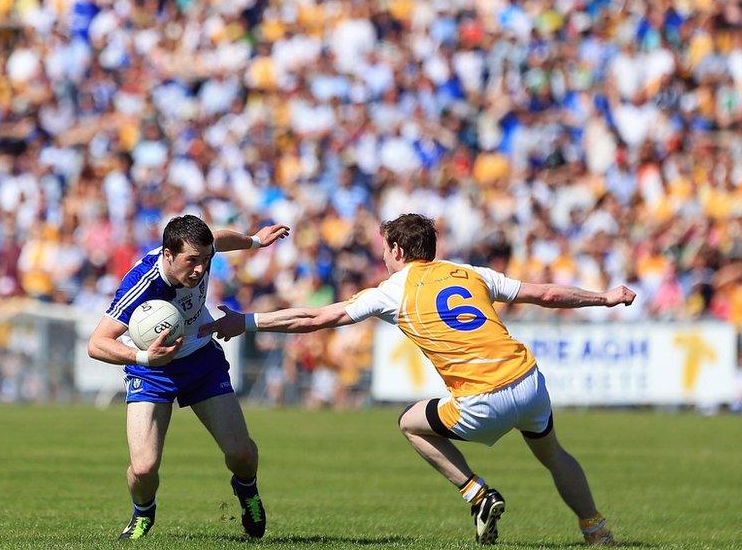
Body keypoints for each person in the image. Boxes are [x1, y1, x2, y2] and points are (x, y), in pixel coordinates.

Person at [200, 213, 634, 546]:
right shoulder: (470, 273)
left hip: (481, 398)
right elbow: (547, 294)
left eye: (385, 251)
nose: (384, 259)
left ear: (398, 251)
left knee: (410, 423)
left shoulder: (394, 288)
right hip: (527, 380)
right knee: (553, 453)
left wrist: (249, 321)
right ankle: (596, 530)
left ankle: (476, 492)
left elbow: (318, 317)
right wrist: (606, 297)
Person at [87, 214, 289, 540]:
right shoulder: (143, 282)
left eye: (205, 260)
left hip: (199, 359)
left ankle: (247, 491)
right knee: (143, 468)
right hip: (151, 370)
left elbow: (217, 239)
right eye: (191, 261)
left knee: (243, 454)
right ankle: (143, 512)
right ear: (168, 255)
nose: (199, 269)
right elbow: (97, 343)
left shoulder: (202, 253)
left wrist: (254, 241)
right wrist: (144, 357)